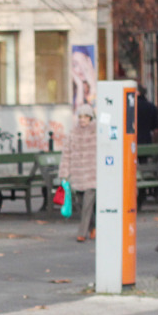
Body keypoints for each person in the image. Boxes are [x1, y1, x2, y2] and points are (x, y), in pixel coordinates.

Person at [60, 104, 97, 243]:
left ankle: (82, 233)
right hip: (77, 174)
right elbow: (66, 154)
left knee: (87, 204)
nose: (82, 119)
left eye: (85, 116)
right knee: (81, 204)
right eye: (80, 116)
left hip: (92, 174)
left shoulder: (96, 133)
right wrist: (64, 173)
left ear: (90, 118)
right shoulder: (72, 133)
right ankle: (93, 227)